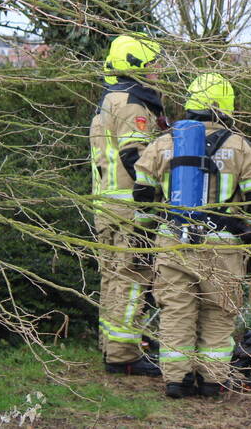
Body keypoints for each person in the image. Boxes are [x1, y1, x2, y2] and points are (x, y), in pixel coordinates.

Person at [133, 73, 251, 399]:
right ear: (226, 107)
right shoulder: (240, 146)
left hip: (173, 242)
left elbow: (142, 190)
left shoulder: (164, 142)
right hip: (222, 246)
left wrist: (144, 229)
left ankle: (175, 381)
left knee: (176, 313)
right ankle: (212, 381)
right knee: (218, 313)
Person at [89, 33, 165, 376]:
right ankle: (124, 355)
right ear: (134, 66)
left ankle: (112, 346)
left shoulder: (108, 101)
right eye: (152, 64)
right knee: (134, 276)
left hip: (106, 207)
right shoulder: (133, 105)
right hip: (130, 210)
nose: (157, 70)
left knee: (113, 278)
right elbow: (136, 156)